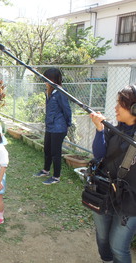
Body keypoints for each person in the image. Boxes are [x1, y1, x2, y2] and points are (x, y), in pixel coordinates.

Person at [89, 85, 136, 263]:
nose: (115, 107)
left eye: (120, 104)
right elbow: (99, 154)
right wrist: (99, 129)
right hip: (104, 193)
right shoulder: (115, 131)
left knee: (118, 246)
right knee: (102, 238)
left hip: (131, 203)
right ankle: (106, 260)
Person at [33, 68, 72, 185]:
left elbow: (67, 110)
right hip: (50, 127)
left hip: (58, 128)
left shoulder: (60, 92)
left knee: (56, 153)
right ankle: (45, 170)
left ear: (53, 79)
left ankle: (56, 177)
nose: (45, 81)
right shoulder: (50, 92)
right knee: (47, 150)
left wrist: (67, 125)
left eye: (47, 79)